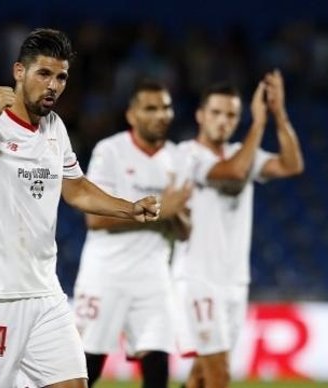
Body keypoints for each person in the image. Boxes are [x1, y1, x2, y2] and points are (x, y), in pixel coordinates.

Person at [0, 28, 161, 388]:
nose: (54, 85)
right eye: (44, 73)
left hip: (44, 294)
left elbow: (75, 189)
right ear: (19, 72)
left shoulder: (55, 128)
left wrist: (129, 208)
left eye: (61, 77)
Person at [172, 70, 304, 388]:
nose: (223, 121)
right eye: (216, 112)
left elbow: (291, 164)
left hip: (234, 281)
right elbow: (234, 173)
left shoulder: (239, 152)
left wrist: (278, 113)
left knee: (202, 374)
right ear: (200, 115)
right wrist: (258, 123)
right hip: (198, 279)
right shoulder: (186, 154)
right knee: (220, 375)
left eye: (231, 115)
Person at [72, 79, 192, 388]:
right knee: (86, 369)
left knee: (157, 372)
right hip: (106, 275)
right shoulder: (110, 151)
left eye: (165, 107)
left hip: (153, 278)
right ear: (132, 115)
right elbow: (95, 220)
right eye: (150, 108)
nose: (160, 114)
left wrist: (180, 215)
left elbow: (186, 231)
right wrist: (162, 210)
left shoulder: (179, 159)